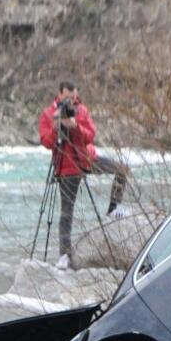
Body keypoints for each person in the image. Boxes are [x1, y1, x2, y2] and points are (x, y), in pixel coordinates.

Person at [38, 80, 131, 269]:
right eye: (68, 98)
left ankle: (113, 207)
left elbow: (91, 135)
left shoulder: (81, 111)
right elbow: (46, 142)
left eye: (74, 97)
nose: (72, 101)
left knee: (122, 169)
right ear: (60, 94)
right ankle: (65, 255)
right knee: (66, 213)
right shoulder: (49, 114)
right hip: (66, 165)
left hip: (87, 159)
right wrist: (57, 127)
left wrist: (75, 126)